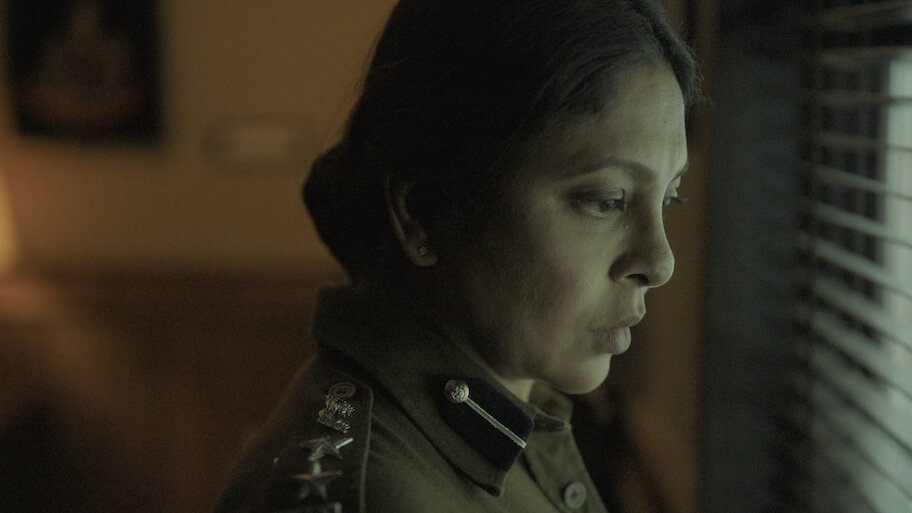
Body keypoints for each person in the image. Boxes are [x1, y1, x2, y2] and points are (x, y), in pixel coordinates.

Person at [215, 0, 698, 511]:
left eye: (669, 197)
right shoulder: (375, 497)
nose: (660, 263)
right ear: (423, 212)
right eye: (606, 200)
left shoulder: (513, 405)